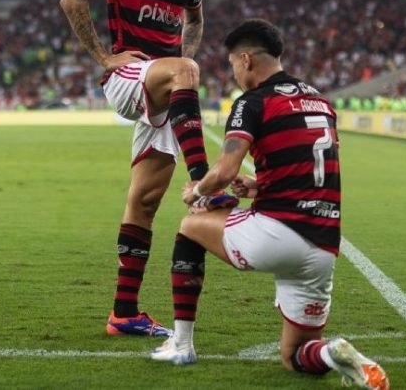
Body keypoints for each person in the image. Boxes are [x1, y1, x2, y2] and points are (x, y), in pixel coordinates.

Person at [148, 19, 389, 390]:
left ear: (246, 59)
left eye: (232, 64)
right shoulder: (320, 101)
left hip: (275, 234)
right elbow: (316, 168)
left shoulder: (253, 102)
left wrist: (197, 192)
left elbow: (224, 170)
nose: (234, 73)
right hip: (322, 247)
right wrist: (260, 185)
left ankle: (181, 344)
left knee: (189, 227)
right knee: (295, 356)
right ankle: (332, 353)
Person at [59, 0, 235, 338]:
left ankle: (124, 313)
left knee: (145, 202)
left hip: (164, 84)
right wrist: (104, 57)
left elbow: (195, 21)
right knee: (185, 71)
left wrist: (184, 60)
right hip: (128, 77)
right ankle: (204, 183)